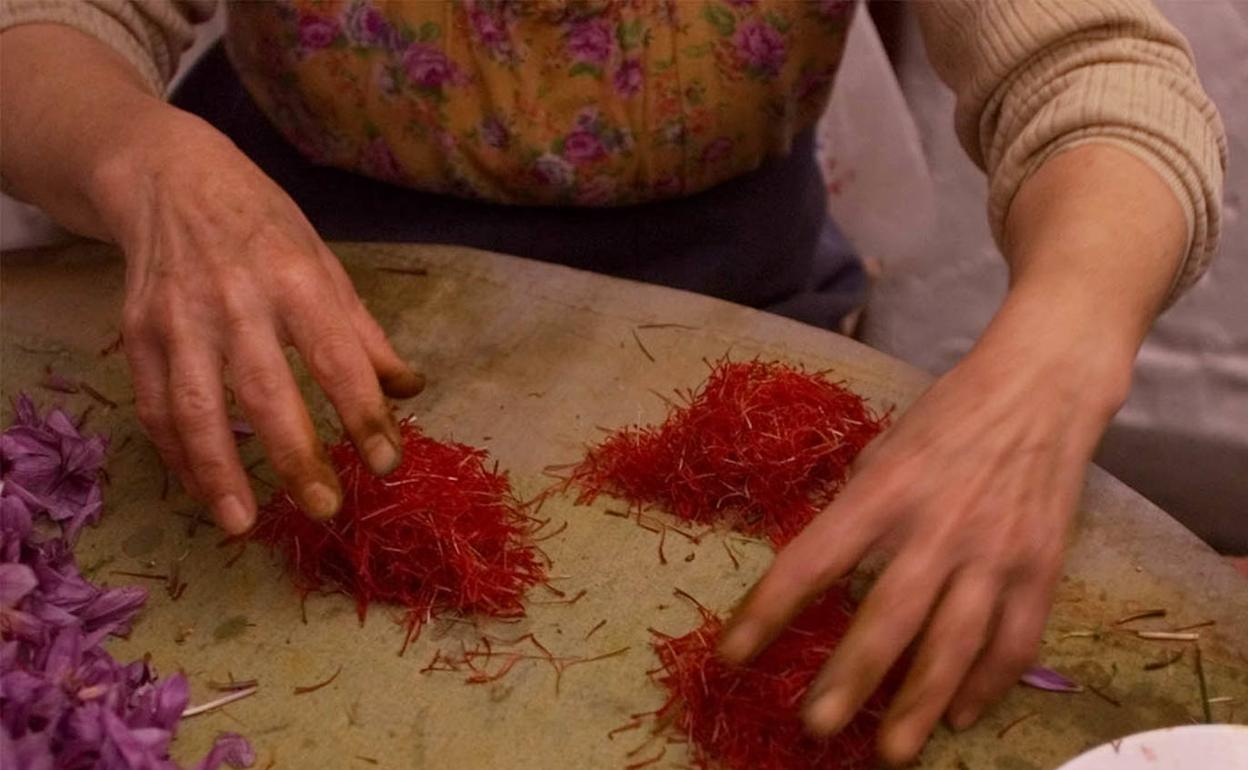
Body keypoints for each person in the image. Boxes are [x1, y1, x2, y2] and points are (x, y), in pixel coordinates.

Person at [0, 0, 1225, 763]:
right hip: (286, 318)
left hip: (735, 292)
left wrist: (1060, 344)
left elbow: (1098, 74)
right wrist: (141, 158)